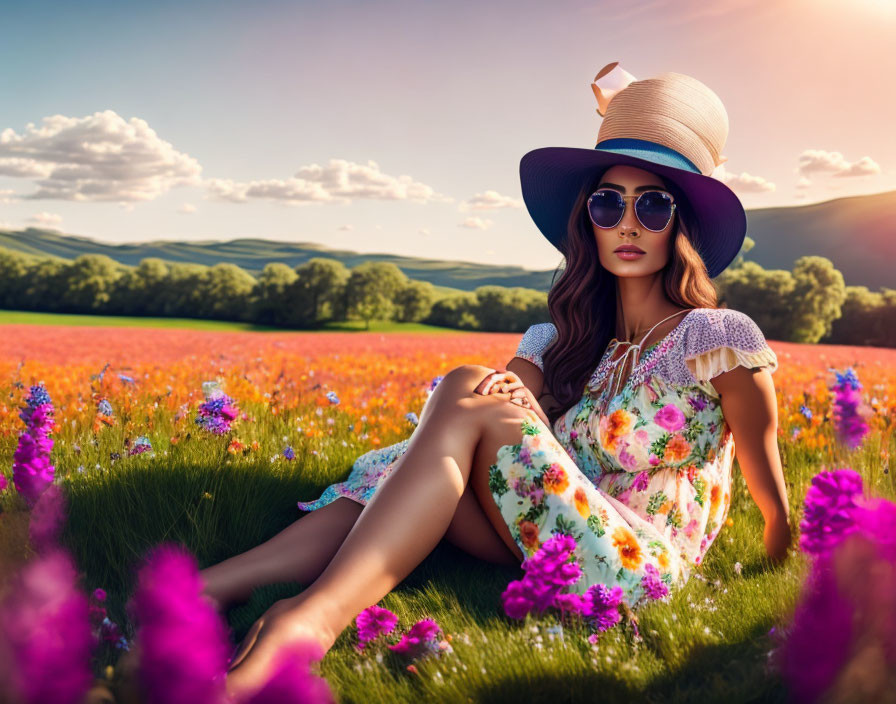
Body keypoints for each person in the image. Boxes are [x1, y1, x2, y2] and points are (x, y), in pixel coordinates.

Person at [206, 62, 793, 699]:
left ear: (682, 226)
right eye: (607, 203)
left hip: (636, 566)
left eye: (652, 205)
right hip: (537, 529)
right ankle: (217, 590)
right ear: (586, 221)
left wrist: (776, 566)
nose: (628, 223)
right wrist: (517, 400)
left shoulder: (717, 338)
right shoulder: (557, 341)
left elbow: (767, 481)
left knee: (454, 413)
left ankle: (309, 619)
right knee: (426, 446)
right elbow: (489, 404)